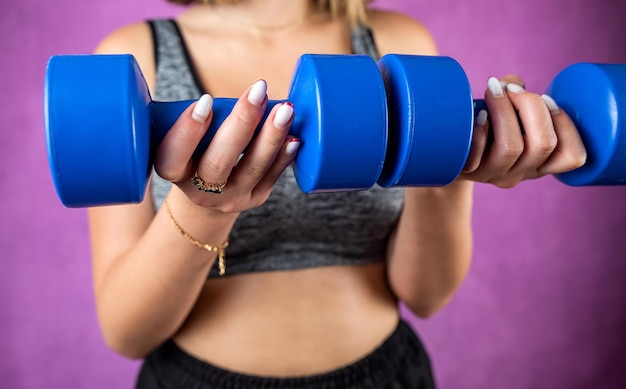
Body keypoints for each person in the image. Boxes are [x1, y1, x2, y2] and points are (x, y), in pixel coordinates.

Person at [88, 0, 587, 387]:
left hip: (386, 375)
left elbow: (426, 295)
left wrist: (446, 172)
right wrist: (205, 210)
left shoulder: (396, 40)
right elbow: (127, 332)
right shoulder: (134, 57)